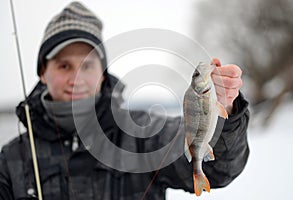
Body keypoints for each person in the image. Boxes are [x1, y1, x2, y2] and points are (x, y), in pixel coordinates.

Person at [0, 1, 250, 200]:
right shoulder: (11, 158)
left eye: (87, 65)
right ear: (43, 72)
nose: (76, 78)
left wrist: (225, 110)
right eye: (64, 66)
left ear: (102, 72)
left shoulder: (146, 134)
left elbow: (221, 170)